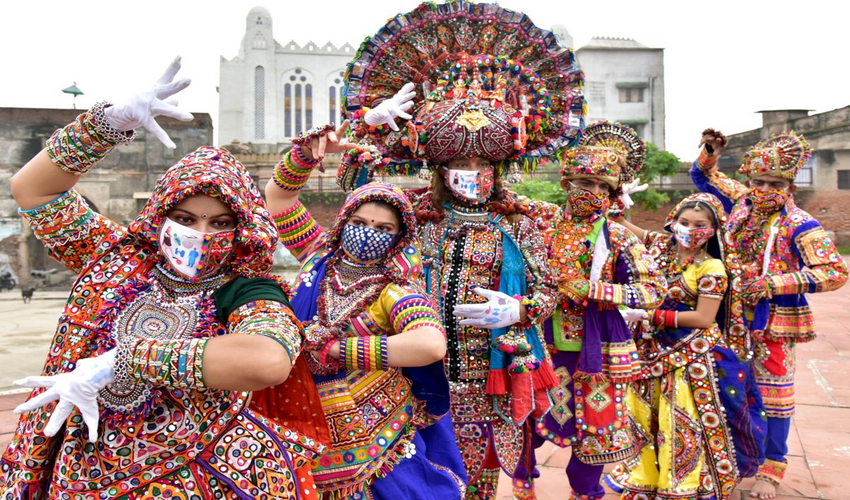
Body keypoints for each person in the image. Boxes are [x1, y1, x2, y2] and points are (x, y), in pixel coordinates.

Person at [1, 58, 325, 499]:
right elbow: (32, 190)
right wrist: (106, 124)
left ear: (242, 228)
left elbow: (267, 360)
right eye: (185, 218)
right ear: (160, 216)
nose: (200, 235)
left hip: (185, 472)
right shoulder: (117, 257)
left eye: (220, 223)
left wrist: (125, 359)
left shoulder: (246, 287)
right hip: (78, 464)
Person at [336, 3, 587, 498]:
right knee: (404, 479)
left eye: (481, 160)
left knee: (473, 480)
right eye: (458, 159)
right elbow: (353, 194)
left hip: (484, 377)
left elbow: (553, 288)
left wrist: (520, 307)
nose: (471, 170)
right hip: (406, 373)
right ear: (438, 165)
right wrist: (369, 125)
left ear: (499, 164)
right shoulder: (407, 213)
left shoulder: (522, 220)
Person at [261, 126, 466, 499]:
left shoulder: (396, 287)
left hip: (374, 426)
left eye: (383, 227)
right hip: (303, 408)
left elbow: (430, 344)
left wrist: (338, 350)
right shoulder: (317, 254)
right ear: (343, 223)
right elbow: (278, 199)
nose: (369, 232)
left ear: (399, 236)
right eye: (359, 223)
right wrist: (305, 157)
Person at [691, 129, 848, 499]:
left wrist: (773, 283)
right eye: (758, 181)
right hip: (727, 315)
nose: (765, 189)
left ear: (789, 185)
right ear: (749, 180)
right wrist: (710, 153)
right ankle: (727, 456)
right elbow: (703, 178)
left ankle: (771, 468)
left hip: (772, 322)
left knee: (773, 393)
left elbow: (834, 272)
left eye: (775, 183)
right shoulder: (742, 202)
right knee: (725, 382)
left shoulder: (800, 224)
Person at [513, 121, 666, 500]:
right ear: (566, 184)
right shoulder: (543, 221)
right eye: (584, 182)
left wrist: (594, 289)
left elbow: (654, 290)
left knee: (595, 429)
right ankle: (522, 486)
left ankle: (585, 493)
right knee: (527, 420)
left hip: (596, 350)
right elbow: (497, 191)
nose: (593, 192)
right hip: (540, 343)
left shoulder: (619, 236)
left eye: (603, 186)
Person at [607, 192, 766, 499]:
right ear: (673, 222)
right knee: (642, 414)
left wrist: (653, 314)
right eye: (684, 222)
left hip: (691, 355)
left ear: (713, 229)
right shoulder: (661, 247)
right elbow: (620, 224)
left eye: (699, 224)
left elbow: (704, 318)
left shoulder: (712, 267)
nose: (690, 230)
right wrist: (614, 195)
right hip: (649, 349)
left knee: (678, 419)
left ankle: (684, 482)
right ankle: (645, 477)